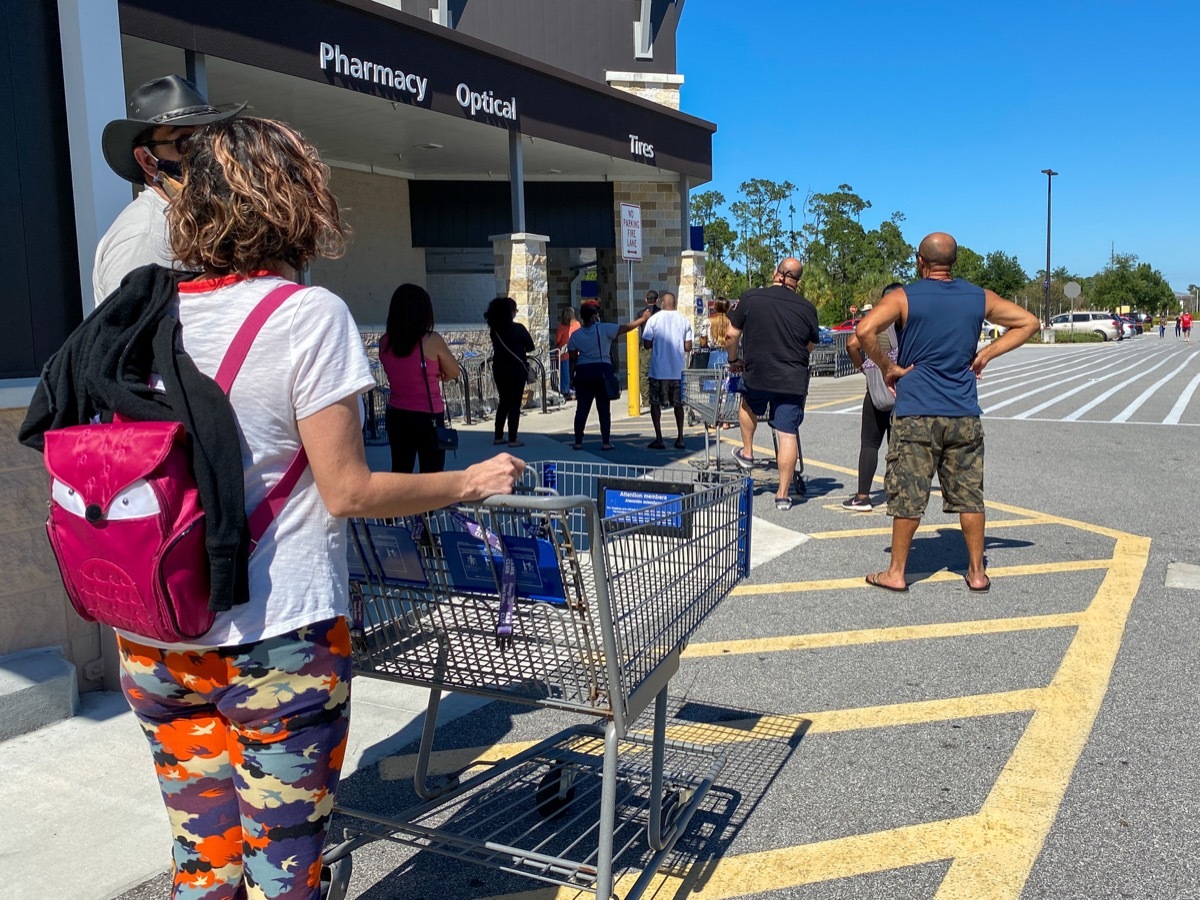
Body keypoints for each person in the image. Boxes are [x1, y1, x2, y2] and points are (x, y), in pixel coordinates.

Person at [92, 117, 521, 899]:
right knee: (283, 874)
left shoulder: (145, 312)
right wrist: (469, 482)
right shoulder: (306, 315)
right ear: (295, 202)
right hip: (275, 642)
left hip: (157, 637)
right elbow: (348, 489)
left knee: (205, 863)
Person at [856, 232, 1038, 594]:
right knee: (970, 494)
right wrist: (986, 354)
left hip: (916, 412)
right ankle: (977, 572)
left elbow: (864, 330)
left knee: (908, 493)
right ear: (953, 262)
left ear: (920, 261)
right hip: (963, 412)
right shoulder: (979, 297)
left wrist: (888, 367)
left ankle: (896, 572)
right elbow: (1029, 322)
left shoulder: (903, 297)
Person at [94, 75, 245, 304]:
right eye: (185, 142)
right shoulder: (146, 236)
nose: (205, 152)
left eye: (210, 139)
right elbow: (135, 326)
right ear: (147, 160)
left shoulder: (199, 222)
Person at [724, 257, 820, 511]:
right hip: (792, 377)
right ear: (798, 282)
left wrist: (733, 360)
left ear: (776, 274)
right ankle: (783, 495)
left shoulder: (751, 297)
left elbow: (731, 334)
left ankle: (747, 452)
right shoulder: (807, 308)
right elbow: (810, 345)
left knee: (748, 404)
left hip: (758, 372)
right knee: (787, 433)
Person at [379, 284, 461, 473]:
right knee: (432, 474)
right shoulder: (432, 340)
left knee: (400, 471)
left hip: (397, 414)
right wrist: (438, 375)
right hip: (428, 415)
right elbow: (454, 371)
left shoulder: (385, 342)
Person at [843, 284, 904, 510]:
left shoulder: (877, 324)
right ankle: (899, 495)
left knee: (870, 443)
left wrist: (863, 368)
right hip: (905, 391)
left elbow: (852, 344)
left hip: (878, 391)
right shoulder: (912, 323)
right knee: (899, 445)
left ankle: (862, 496)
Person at [568, 301, 650, 450]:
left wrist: (572, 378)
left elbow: (573, 358)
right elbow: (625, 328)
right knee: (604, 408)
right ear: (592, 317)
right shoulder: (604, 328)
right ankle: (606, 442)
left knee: (582, 409)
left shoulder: (575, 335)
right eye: (596, 314)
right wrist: (642, 319)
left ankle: (578, 441)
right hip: (602, 370)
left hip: (583, 372)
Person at [641, 292, 694, 449]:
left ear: (662, 303)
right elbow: (688, 347)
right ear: (675, 303)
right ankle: (680, 437)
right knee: (678, 405)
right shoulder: (684, 320)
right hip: (677, 370)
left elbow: (647, 344)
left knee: (655, 404)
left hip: (658, 370)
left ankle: (659, 438)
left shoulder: (654, 319)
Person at [486, 297, 536, 447]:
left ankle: (498, 436)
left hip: (499, 368)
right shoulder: (519, 329)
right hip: (516, 368)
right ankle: (513, 438)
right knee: (515, 403)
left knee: (503, 402)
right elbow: (530, 346)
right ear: (510, 312)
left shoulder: (494, 331)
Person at [637, 289, 661, 406]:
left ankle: (646, 401)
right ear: (657, 300)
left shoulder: (641, 314)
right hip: (659, 347)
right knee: (659, 372)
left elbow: (637, 328)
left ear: (646, 300)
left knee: (644, 374)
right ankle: (658, 398)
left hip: (644, 346)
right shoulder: (661, 314)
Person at [555, 306, 580, 399]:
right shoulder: (577, 324)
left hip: (563, 353)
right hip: (575, 352)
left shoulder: (561, 327)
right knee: (575, 372)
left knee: (565, 373)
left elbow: (557, 340)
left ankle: (565, 391)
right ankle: (576, 389)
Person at [707, 298, 731, 369]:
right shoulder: (732, 322)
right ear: (727, 307)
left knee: (712, 375)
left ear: (715, 307)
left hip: (713, 354)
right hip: (730, 354)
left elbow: (703, 342)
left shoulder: (708, 322)